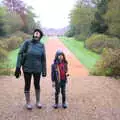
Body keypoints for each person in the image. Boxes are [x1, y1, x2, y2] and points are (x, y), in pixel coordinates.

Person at [14, 29, 47, 110]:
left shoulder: (41, 45)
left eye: (38, 33)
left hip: (37, 68)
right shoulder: (27, 43)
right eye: (35, 32)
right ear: (33, 34)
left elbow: (43, 59)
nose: (36, 33)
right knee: (27, 84)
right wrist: (18, 67)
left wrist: (44, 70)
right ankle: (28, 102)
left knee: (37, 84)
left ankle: (38, 101)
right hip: (27, 68)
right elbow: (20, 54)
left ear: (40, 36)